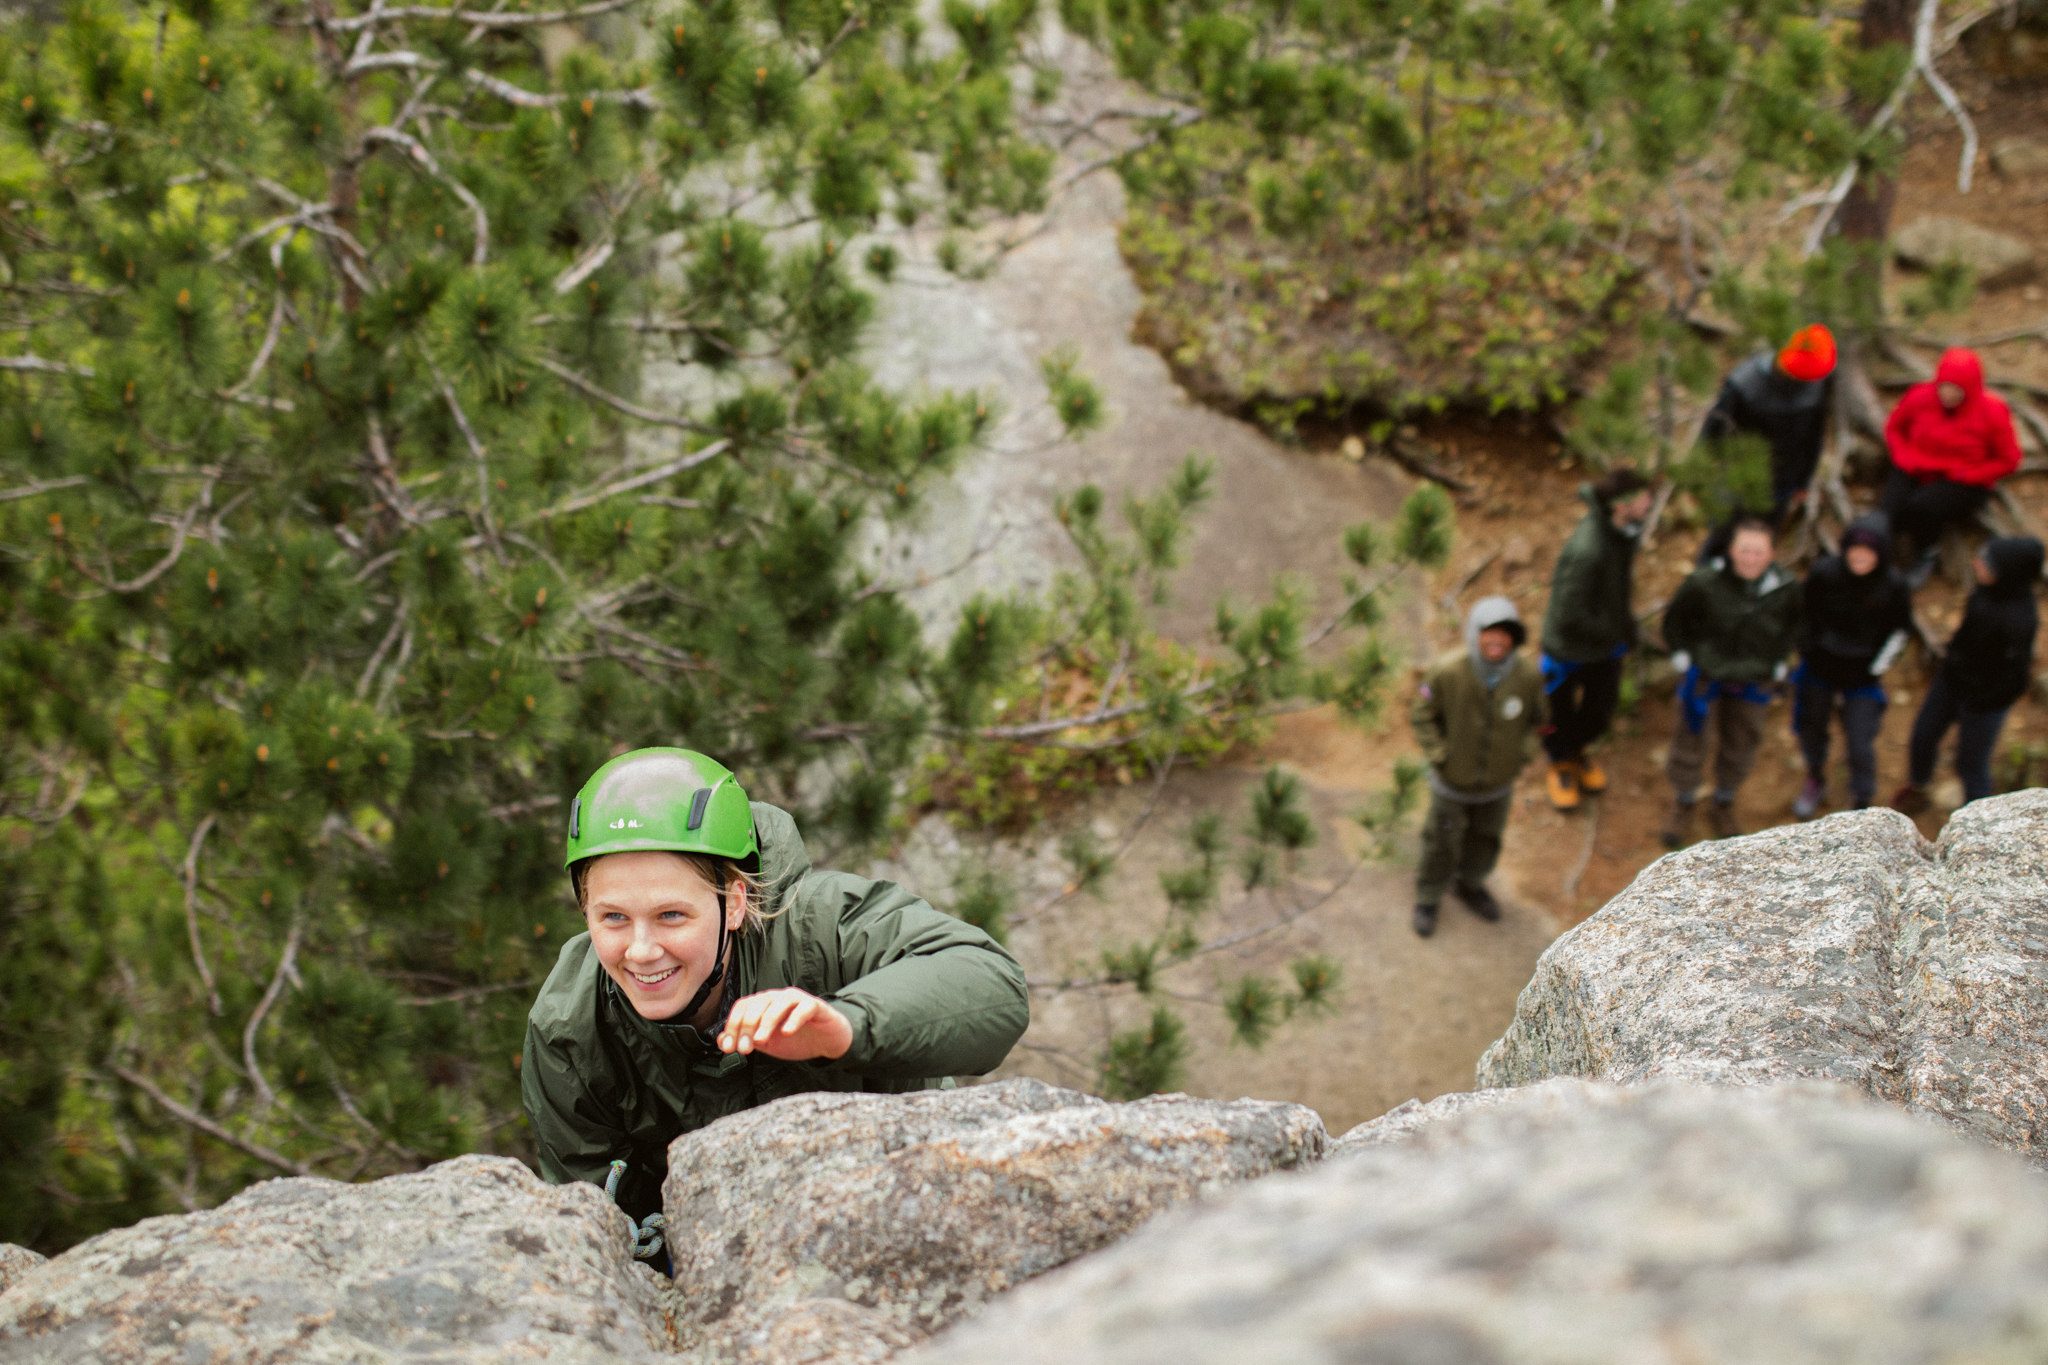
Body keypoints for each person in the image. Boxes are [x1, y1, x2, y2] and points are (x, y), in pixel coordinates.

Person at [523, 748, 1029, 1254]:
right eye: (612, 918)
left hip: (918, 1220)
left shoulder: (822, 926)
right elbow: (597, 1223)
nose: (641, 949)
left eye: (672, 915)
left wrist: (845, 1026)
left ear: (735, 902)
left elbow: (992, 983)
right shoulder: (570, 1028)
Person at [1409, 596, 1547, 938]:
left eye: (1506, 634)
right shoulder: (1448, 671)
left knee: (1485, 838)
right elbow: (1421, 715)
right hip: (1451, 783)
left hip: (1497, 784)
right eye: (1489, 632)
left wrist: (1522, 755)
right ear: (1474, 633)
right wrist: (1440, 755)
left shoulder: (1527, 675)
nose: (1497, 641)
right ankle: (1428, 896)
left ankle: (1470, 884)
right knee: (1440, 840)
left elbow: (1540, 722)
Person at [1660, 515, 1801, 846]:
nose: (1750, 559)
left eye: (1758, 552)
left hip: (1754, 679)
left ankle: (1724, 800)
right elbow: (1676, 620)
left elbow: (1795, 626)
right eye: (1744, 550)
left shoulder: (1786, 588)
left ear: (1771, 554)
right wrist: (1682, 653)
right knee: (1691, 737)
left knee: (1743, 740)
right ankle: (1684, 800)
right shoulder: (1704, 582)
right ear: (1731, 550)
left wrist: (1780, 660)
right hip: (1706, 674)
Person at [1892, 536, 2043, 813]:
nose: (1976, 563)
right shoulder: (1984, 592)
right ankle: (1919, 786)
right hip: (1952, 681)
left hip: (1984, 701)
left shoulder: (2020, 620)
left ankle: (1978, 822)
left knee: (1971, 765)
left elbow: (2016, 679)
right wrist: (1950, 661)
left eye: (1987, 562)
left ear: (2008, 572)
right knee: (1923, 736)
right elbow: (1966, 635)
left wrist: (1979, 703)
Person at [1539, 466, 1654, 811]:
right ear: (1622, 506)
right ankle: (1561, 764)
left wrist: (1625, 629)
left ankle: (1578, 751)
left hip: (1604, 645)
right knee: (1559, 713)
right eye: (1645, 500)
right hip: (1569, 649)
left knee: (1599, 711)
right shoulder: (1588, 549)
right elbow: (1568, 614)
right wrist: (1615, 632)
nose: (1650, 505)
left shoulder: (1621, 534)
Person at [1792, 514, 1913, 818]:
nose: (1860, 556)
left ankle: (1861, 801)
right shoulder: (1825, 574)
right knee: (1813, 727)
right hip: (1820, 668)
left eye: (1869, 550)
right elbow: (1804, 614)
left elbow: (1900, 631)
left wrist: (1875, 668)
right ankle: (1815, 778)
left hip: (1862, 676)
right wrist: (1808, 650)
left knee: (1860, 741)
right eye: (1855, 548)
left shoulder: (1893, 586)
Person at [1695, 324, 1837, 559]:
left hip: (1782, 482)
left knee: (1762, 541)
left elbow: (1814, 437)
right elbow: (1714, 430)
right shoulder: (1745, 385)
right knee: (1722, 539)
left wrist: (1803, 480)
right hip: (1737, 479)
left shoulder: (1817, 386)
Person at [1883, 347, 2023, 586]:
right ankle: (1880, 560)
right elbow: (1894, 428)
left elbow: (2009, 459)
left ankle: (1927, 554)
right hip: (1916, 467)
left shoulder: (1993, 412)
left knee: (1921, 510)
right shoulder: (1919, 397)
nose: (1948, 394)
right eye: (1944, 386)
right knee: (1887, 512)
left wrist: (1970, 474)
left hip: (1962, 480)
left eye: (1957, 389)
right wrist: (1903, 455)